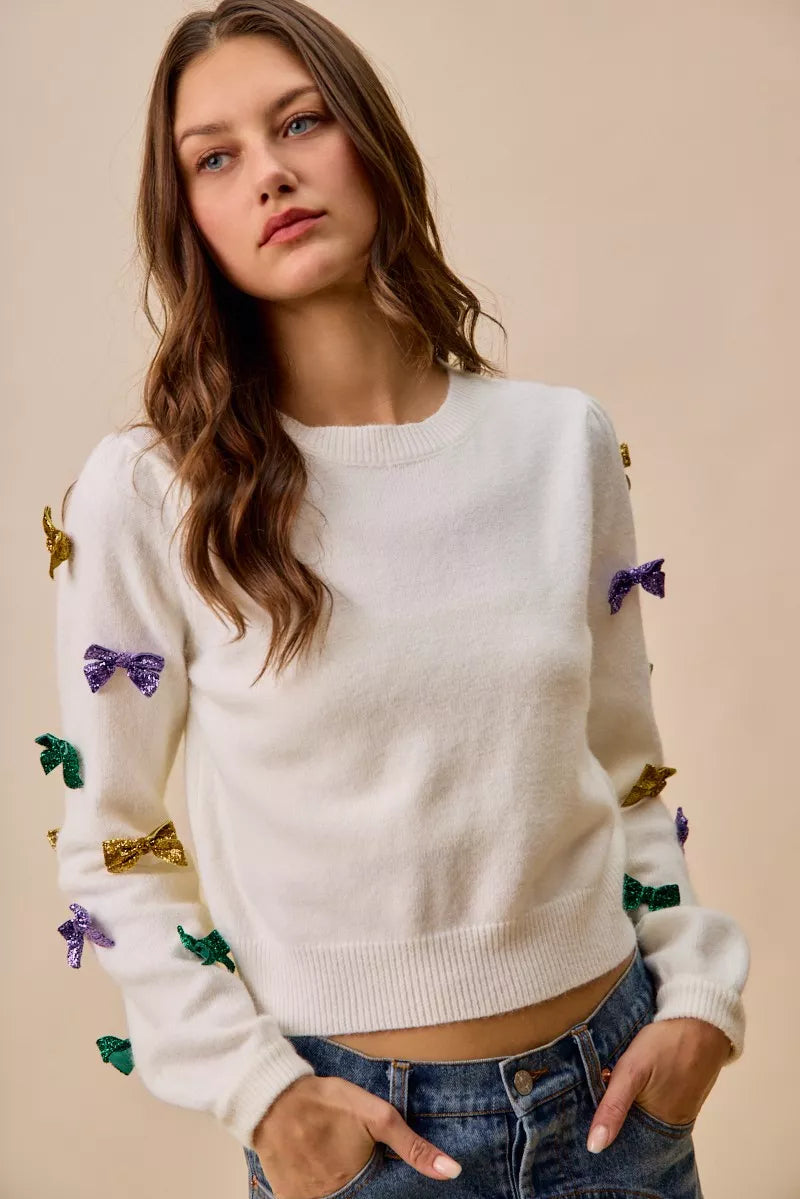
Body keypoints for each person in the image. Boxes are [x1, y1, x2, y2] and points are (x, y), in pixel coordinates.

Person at [47, 2, 749, 1196]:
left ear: (367, 140)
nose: (268, 174)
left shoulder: (557, 443)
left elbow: (625, 767)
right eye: (213, 158)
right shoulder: (154, 490)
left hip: (617, 1107)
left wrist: (694, 995)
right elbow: (111, 840)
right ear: (189, 216)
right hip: (363, 1141)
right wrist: (261, 1093)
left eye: (299, 123)